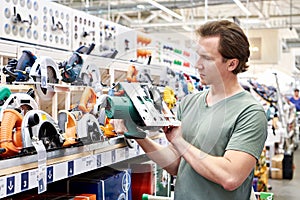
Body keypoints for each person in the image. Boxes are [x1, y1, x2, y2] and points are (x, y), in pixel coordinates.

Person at [112, 20, 267, 200]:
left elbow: (230, 177)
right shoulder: (189, 103)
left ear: (231, 64)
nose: (197, 64)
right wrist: (137, 134)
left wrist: (180, 142)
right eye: (198, 56)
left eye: (207, 58)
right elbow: (176, 164)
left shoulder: (249, 112)